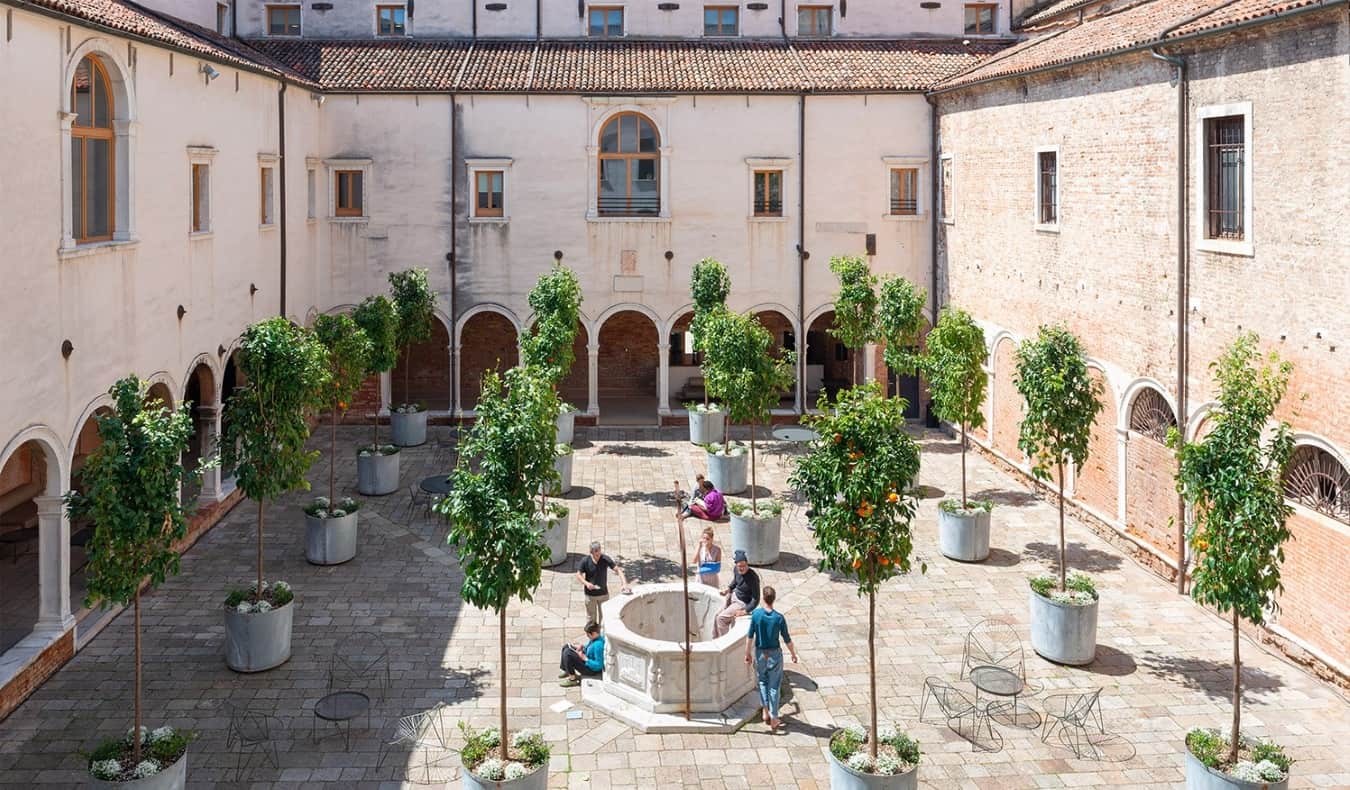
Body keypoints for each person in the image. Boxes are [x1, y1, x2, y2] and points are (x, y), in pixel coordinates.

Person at [745, 585, 798, 730]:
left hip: (761, 654)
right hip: (774, 654)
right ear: (774, 599)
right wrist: (793, 654)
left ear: (763, 598)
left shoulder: (756, 615)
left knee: (762, 682)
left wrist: (747, 653)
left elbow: (750, 636)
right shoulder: (779, 618)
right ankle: (774, 717)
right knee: (774, 686)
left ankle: (765, 711)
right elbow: (787, 639)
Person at [576, 541, 630, 625]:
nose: (598, 553)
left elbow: (618, 570)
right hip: (590, 596)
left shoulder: (605, 559)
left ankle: (602, 636)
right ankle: (593, 637)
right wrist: (586, 583)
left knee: (605, 618)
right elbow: (578, 574)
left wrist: (624, 583)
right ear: (591, 552)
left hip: (603, 594)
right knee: (591, 619)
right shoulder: (585, 561)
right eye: (596, 551)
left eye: (599, 550)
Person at [715, 550, 759, 637]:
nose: (742, 568)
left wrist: (745, 611)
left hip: (741, 602)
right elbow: (735, 581)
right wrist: (729, 589)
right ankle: (715, 638)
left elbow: (756, 599)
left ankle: (725, 641)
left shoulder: (753, 578)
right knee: (716, 615)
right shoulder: (736, 569)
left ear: (747, 564)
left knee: (721, 618)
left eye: (744, 566)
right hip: (733, 595)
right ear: (736, 565)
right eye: (739, 566)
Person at [559, 621, 605, 687]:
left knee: (568, 654)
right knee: (566, 646)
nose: (587, 636)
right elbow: (590, 648)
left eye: (588, 635)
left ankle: (572, 679)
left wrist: (585, 659)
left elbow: (599, 665)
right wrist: (583, 647)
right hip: (585, 658)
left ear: (594, 633)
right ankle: (567, 670)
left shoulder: (598, 646)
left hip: (590, 669)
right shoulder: (595, 638)